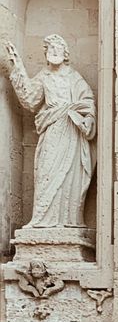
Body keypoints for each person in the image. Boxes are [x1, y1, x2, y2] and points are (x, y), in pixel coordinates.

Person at [4, 34, 96, 229]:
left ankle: (67, 220)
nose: (54, 52)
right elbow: (29, 99)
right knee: (46, 172)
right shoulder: (44, 77)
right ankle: (42, 220)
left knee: (69, 176)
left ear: (65, 53)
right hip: (52, 130)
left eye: (58, 48)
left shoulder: (74, 77)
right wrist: (17, 68)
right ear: (45, 54)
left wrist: (87, 120)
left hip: (71, 131)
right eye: (50, 49)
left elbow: (87, 102)